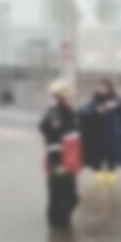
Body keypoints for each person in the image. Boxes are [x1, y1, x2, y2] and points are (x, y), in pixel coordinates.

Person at [40, 79, 81, 230]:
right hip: (59, 164)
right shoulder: (55, 116)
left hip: (69, 165)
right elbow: (53, 144)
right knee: (59, 200)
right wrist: (57, 165)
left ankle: (63, 228)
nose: (72, 98)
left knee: (70, 199)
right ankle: (57, 234)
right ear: (59, 97)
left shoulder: (70, 113)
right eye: (69, 95)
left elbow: (77, 138)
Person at [79, 79, 121, 186]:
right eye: (99, 87)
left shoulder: (117, 100)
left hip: (113, 138)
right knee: (97, 163)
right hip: (97, 138)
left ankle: (111, 184)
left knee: (112, 162)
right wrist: (96, 111)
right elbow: (80, 112)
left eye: (103, 87)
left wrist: (118, 105)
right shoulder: (93, 102)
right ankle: (99, 186)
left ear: (109, 88)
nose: (101, 89)